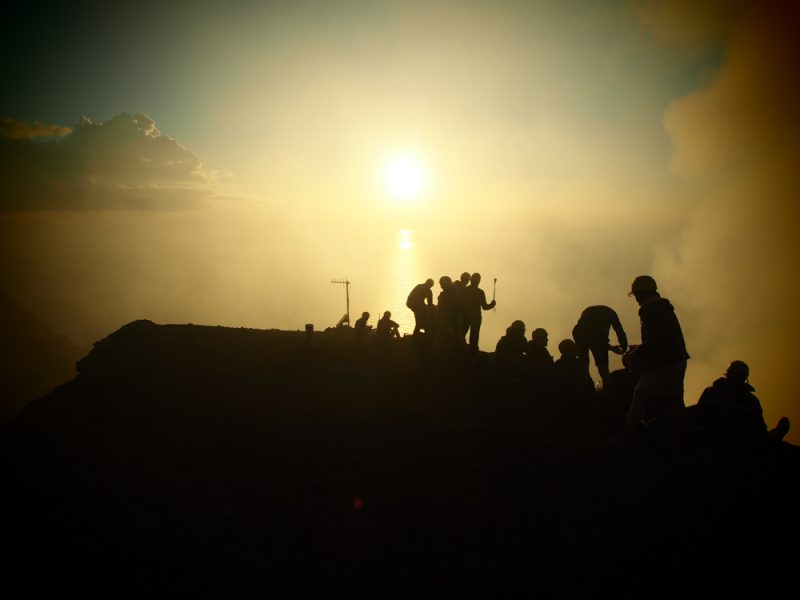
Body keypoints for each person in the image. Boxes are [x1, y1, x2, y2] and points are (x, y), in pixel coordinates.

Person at [623, 275, 690, 446]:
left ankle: (629, 435)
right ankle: (680, 436)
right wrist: (640, 348)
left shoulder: (649, 309)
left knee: (640, 394)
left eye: (636, 295)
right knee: (676, 400)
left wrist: (636, 354)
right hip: (679, 359)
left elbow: (654, 340)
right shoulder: (664, 307)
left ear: (642, 293)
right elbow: (662, 338)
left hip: (664, 362)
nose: (636, 299)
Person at [689, 360, 791, 446]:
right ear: (744, 378)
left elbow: (698, 412)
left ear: (727, 374)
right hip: (737, 442)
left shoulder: (710, 391)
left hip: (710, 437)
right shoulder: (751, 400)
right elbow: (759, 428)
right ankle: (774, 436)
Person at [572, 305, 628, 393]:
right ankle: (608, 395)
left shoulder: (593, 317)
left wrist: (618, 347)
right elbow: (618, 331)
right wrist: (623, 347)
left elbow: (595, 339)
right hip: (585, 335)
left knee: (584, 366)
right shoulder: (609, 314)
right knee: (602, 369)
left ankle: (585, 393)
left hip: (580, 333)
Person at [462, 272, 496, 354]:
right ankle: (473, 352)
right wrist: (492, 305)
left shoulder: (465, 290)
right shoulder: (480, 292)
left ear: (471, 280)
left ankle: (461, 348)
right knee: (474, 337)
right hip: (475, 317)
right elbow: (485, 307)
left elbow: (461, 303)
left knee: (462, 333)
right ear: (479, 281)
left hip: (465, 316)